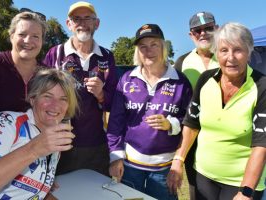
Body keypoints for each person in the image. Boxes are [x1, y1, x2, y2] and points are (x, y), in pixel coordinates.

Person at [167, 22, 266, 200]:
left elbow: (261, 145)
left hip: (240, 182)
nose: (231, 58)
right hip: (202, 175)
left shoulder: (262, 86)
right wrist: (178, 160)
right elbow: (191, 123)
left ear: (249, 51)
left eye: (238, 50)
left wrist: (246, 190)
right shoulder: (206, 79)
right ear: (216, 53)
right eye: (224, 50)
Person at [107, 23, 193, 200]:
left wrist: (170, 124)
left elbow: (189, 122)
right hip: (130, 166)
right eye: (143, 47)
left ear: (163, 47)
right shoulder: (126, 79)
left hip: (164, 168)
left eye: (154, 44)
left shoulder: (180, 81)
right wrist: (115, 157)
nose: (149, 51)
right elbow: (115, 122)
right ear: (138, 51)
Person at [0, 68, 78, 199]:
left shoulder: (54, 139)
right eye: (48, 96)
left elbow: (33, 192)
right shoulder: (6, 124)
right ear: (32, 99)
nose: (55, 106)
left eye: (63, 99)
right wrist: (33, 149)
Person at [43, 1, 118, 176]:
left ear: (96, 24)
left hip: (96, 144)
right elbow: (41, 99)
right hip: (60, 144)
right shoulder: (55, 54)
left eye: (88, 18)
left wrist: (101, 94)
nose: (82, 23)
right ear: (69, 24)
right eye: (76, 19)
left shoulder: (107, 56)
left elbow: (115, 104)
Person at [173, 11, 219, 200]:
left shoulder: (229, 56)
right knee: (198, 190)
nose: (203, 33)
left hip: (225, 135)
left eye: (208, 28)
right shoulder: (182, 62)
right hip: (193, 137)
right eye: (197, 30)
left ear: (217, 29)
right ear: (190, 35)